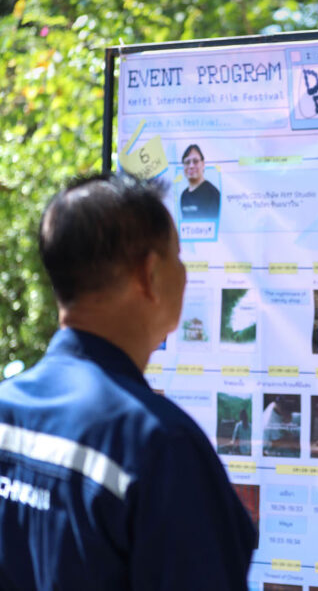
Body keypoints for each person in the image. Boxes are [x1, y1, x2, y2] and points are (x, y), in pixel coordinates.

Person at [0, 173, 255, 589]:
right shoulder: (160, 446)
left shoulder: (7, 410)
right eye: (178, 256)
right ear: (149, 275)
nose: (185, 273)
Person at [180, 144, 220, 220]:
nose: (191, 166)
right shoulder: (183, 195)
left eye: (195, 161)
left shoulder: (212, 194)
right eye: (187, 162)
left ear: (203, 164)